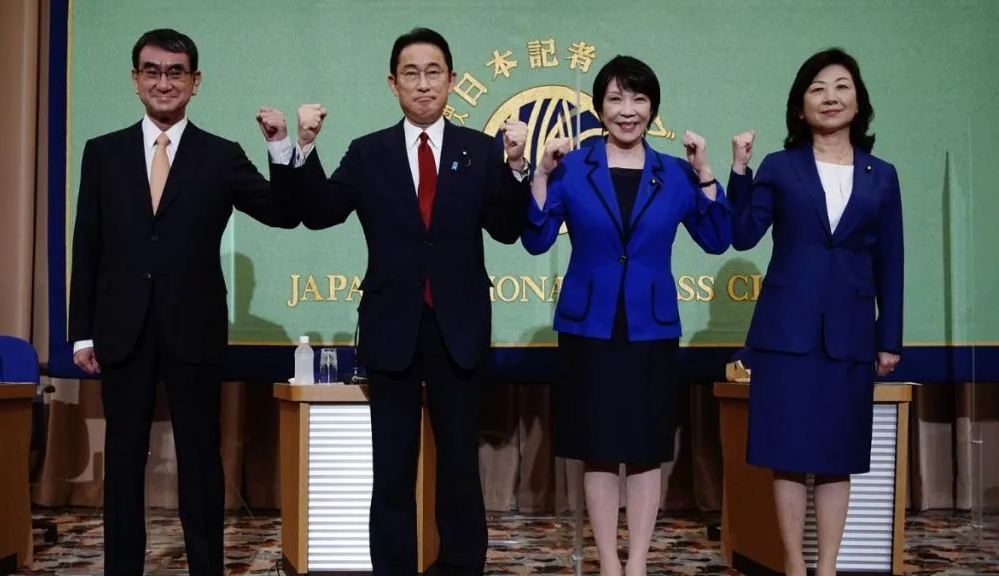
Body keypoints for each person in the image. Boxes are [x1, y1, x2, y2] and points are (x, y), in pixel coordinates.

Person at [265, 27, 530, 576]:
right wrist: (303, 146)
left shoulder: (481, 150)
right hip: (392, 326)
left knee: (460, 468)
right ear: (393, 84)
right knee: (391, 471)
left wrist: (516, 167)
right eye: (411, 73)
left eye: (434, 72)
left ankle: (460, 568)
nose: (423, 84)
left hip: (458, 326)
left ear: (451, 80)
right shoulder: (369, 152)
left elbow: (506, 230)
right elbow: (320, 213)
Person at [68, 28, 303, 576]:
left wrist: (279, 146)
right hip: (121, 327)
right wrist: (82, 331)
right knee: (124, 460)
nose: (163, 82)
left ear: (195, 82)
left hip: (193, 328)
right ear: (135, 80)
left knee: (199, 460)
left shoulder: (221, 155)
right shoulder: (102, 152)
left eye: (176, 72)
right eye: (152, 71)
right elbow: (88, 244)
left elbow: (282, 213)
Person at [520, 55, 731, 576]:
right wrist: (540, 174)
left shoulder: (676, 173)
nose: (627, 110)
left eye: (638, 98)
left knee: (644, 448)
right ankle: (609, 563)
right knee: (597, 448)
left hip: (650, 327)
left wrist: (706, 173)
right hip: (588, 325)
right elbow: (536, 239)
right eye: (615, 99)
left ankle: (637, 563)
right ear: (599, 108)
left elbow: (716, 237)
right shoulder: (572, 167)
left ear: (652, 108)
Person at [727, 47, 904, 576]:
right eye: (817, 88)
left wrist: (889, 337)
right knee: (786, 455)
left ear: (859, 102)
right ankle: (794, 564)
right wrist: (739, 170)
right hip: (786, 333)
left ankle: (827, 568)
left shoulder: (882, 175)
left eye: (842, 86)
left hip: (849, 334)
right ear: (800, 107)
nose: (830, 97)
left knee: (836, 458)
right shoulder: (780, 167)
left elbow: (891, 260)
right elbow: (743, 233)